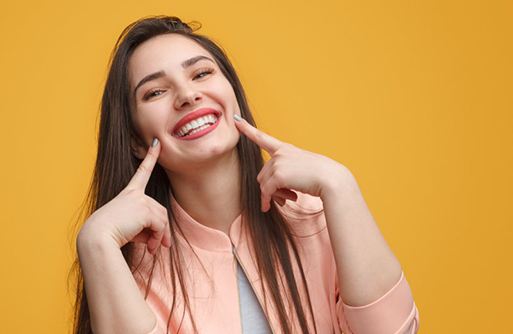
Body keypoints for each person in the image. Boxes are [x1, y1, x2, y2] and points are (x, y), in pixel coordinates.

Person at [71, 15, 420, 334]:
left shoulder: (321, 217)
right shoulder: (132, 267)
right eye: (155, 92)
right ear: (135, 139)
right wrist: (95, 243)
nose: (188, 95)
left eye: (202, 73)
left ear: (233, 97)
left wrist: (341, 185)